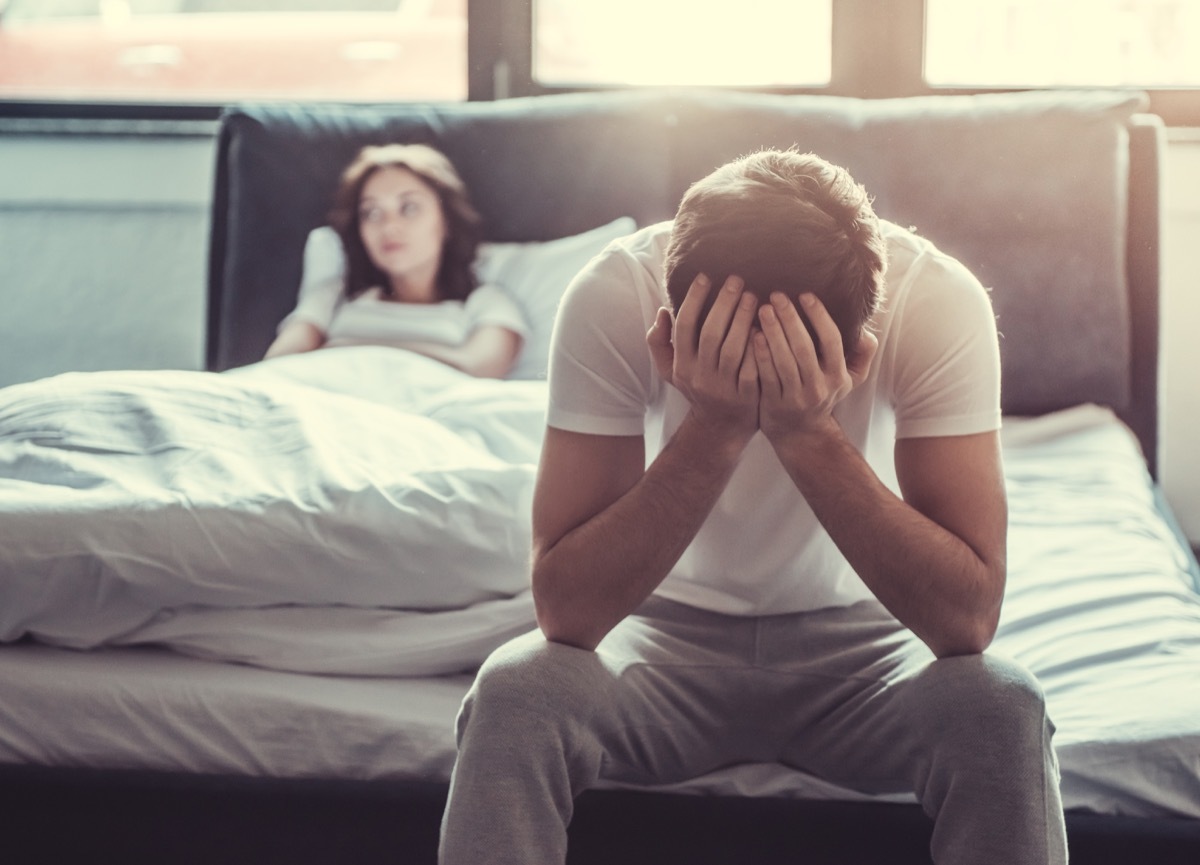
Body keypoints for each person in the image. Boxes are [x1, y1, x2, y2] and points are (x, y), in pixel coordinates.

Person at [438, 149, 1067, 865]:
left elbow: (967, 618)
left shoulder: (935, 299)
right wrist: (715, 426)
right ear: (669, 326)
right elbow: (567, 611)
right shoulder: (615, 291)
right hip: (657, 639)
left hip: (865, 646)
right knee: (514, 694)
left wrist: (808, 432)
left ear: (861, 340)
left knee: (1003, 705)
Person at [264, 143, 527, 379]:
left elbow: (479, 369)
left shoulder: (486, 302)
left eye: (409, 208)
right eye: (372, 212)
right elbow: (277, 366)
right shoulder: (335, 295)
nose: (389, 227)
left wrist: (346, 348)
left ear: (445, 220)